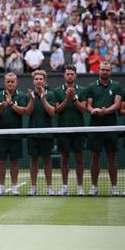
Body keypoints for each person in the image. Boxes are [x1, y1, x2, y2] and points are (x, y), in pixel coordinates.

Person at [86, 61, 122, 196]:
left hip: (111, 126)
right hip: (95, 127)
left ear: (110, 71)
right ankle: (94, 187)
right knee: (94, 157)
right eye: (103, 69)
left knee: (111, 157)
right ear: (98, 71)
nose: (105, 72)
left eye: (107, 70)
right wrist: (93, 110)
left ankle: (114, 187)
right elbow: (88, 105)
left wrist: (106, 111)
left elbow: (117, 104)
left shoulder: (117, 86)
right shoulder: (91, 87)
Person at [0, 72, 28, 196]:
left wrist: (11, 104)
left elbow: (24, 111)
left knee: (14, 162)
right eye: (8, 81)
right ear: (5, 82)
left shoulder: (22, 96)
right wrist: (2, 106)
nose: (10, 84)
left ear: (16, 82)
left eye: (12, 82)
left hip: (16, 135)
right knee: (1, 162)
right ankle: (1, 186)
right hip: (1, 135)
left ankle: (14, 186)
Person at [53, 65, 87, 196]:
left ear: (76, 75)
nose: (70, 76)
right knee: (64, 159)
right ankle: (65, 186)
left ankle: (80, 187)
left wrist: (74, 98)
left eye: (72, 74)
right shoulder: (57, 91)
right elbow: (57, 110)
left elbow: (83, 110)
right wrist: (67, 99)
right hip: (63, 130)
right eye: (67, 74)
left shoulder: (82, 91)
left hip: (78, 129)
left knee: (79, 158)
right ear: (64, 75)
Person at [26, 70, 56, 196]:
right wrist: (33, 99)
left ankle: (49, 187)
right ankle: (33, 187)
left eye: (41, 79)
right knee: (33, 161)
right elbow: (28, 112)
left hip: (46, 133)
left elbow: (52, 112)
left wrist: (43, 99)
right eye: (36, 79)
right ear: (33, 81)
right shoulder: (30, 95)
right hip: (33, 133)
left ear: (45, 81)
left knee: (47, 161)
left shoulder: (51, 94)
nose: (38, 81)